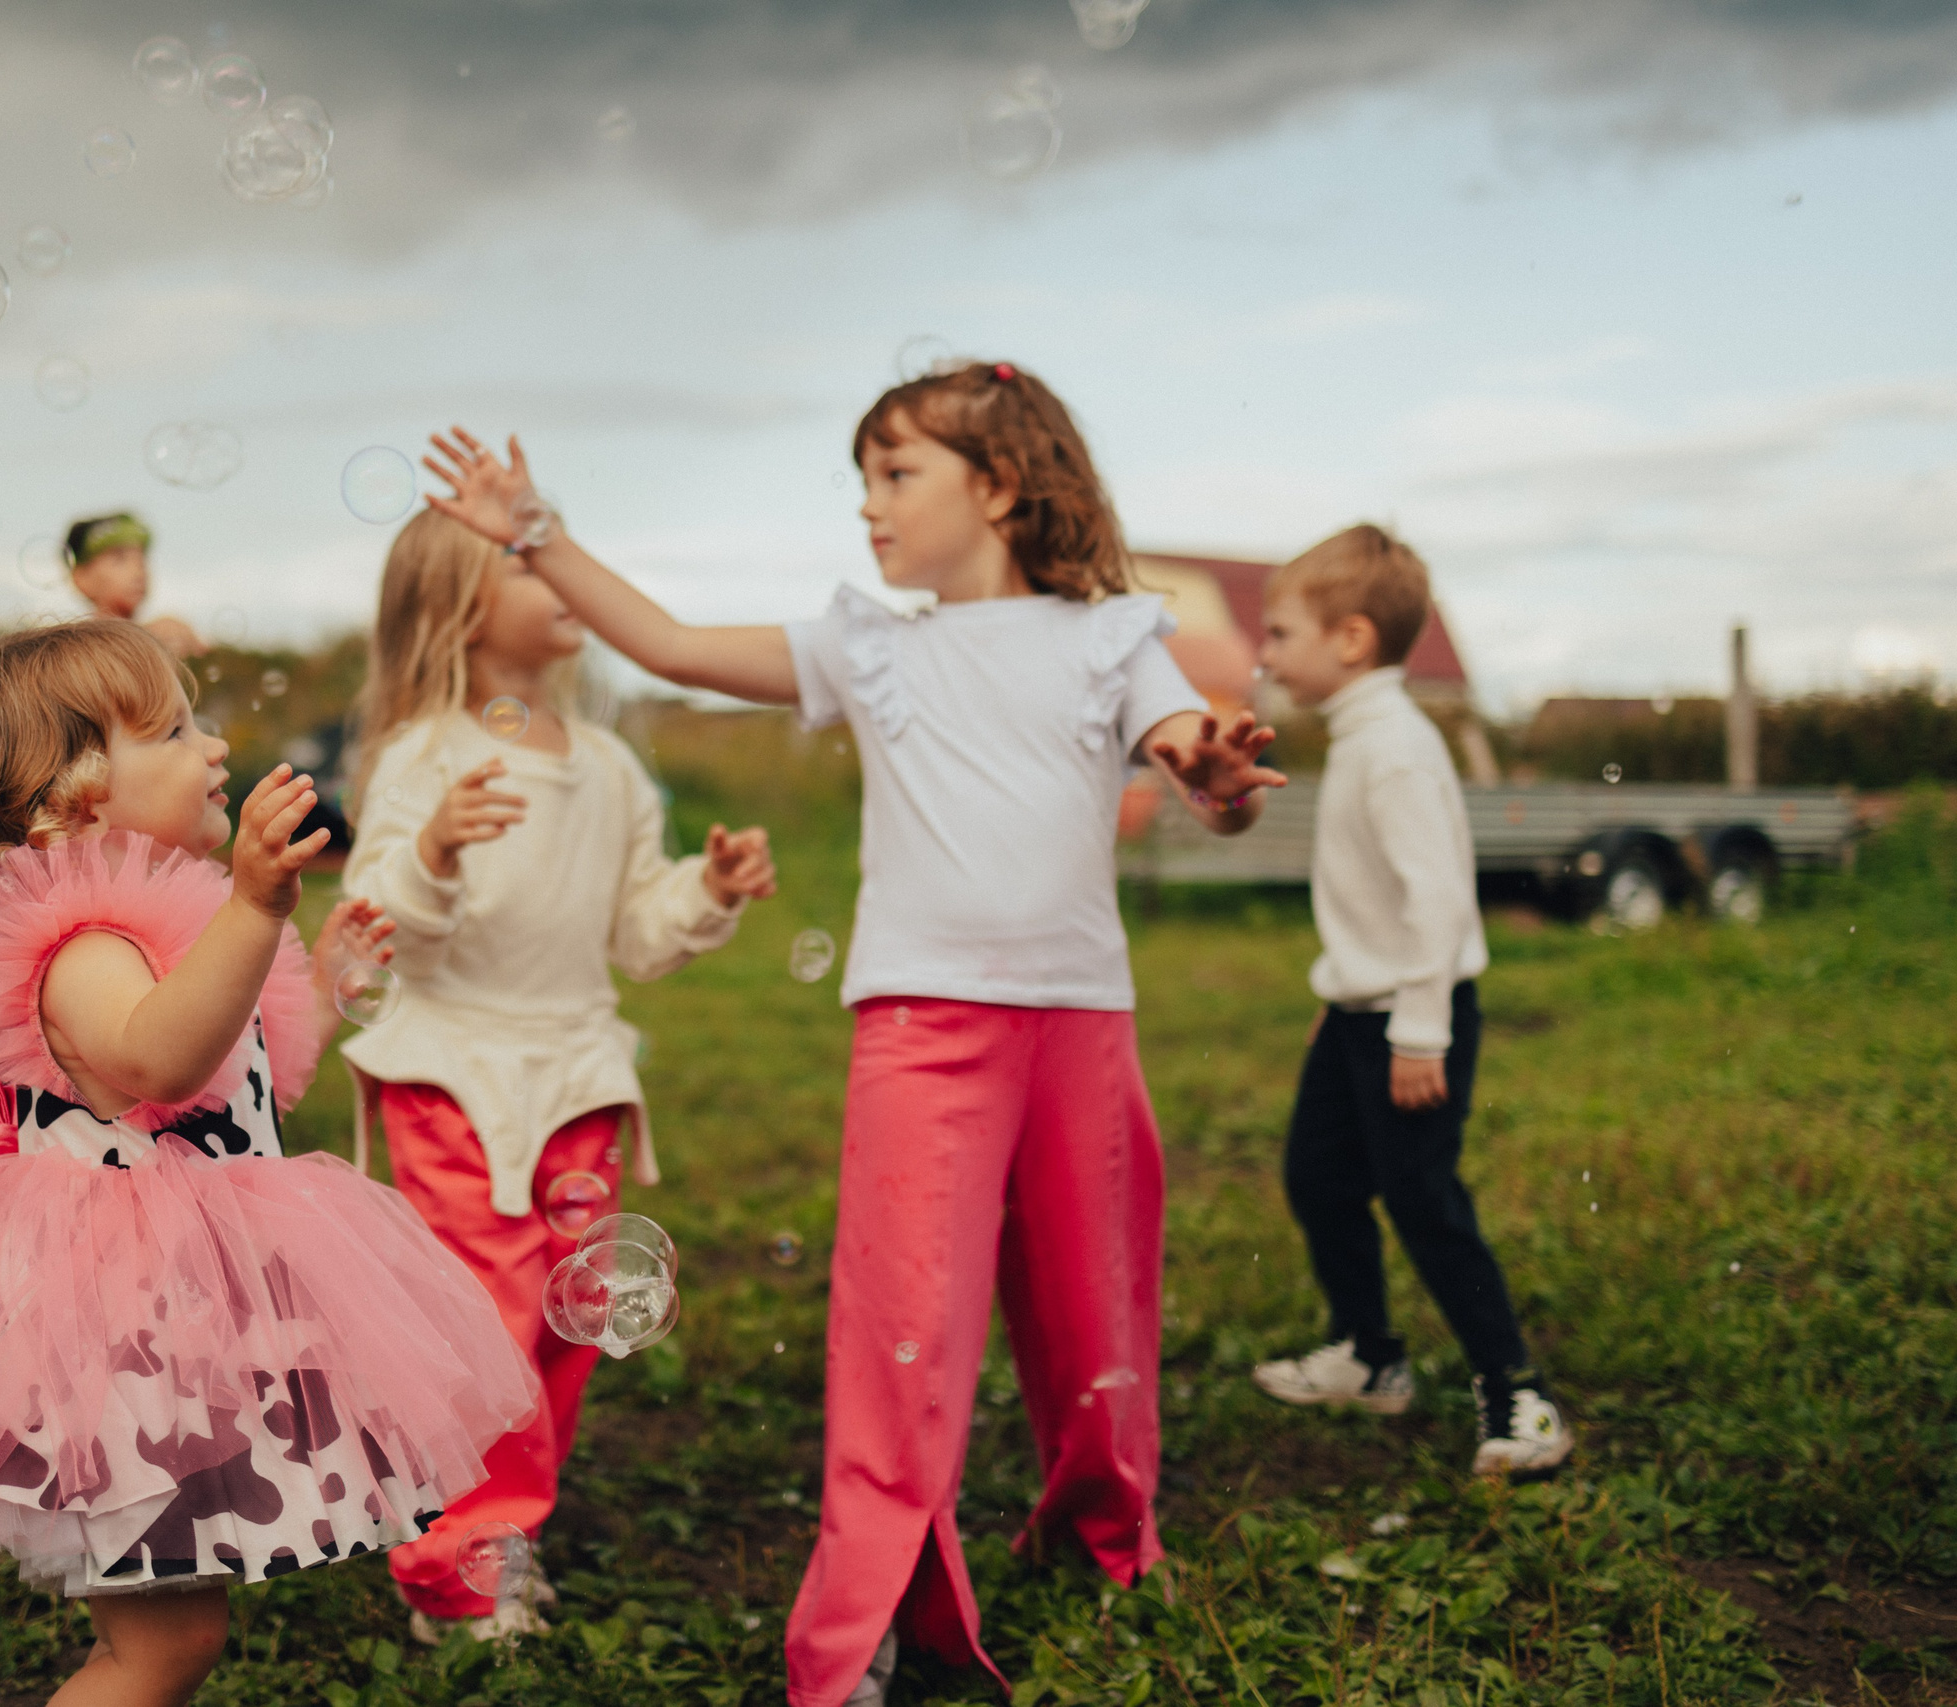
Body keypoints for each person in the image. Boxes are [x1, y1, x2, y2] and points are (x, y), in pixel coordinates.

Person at [418, 359, 1286, 1707]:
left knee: (1091, 1300)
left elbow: (1190, 753)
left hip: (1079, 1028)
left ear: (998, 486)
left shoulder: (1117, 635)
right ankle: (870, 1611)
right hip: (922, 1028)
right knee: (902, 1326)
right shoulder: (868, 640)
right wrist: (536, 530)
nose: (870, 508)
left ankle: (1101, 1526)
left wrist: (1218, 775)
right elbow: (669, 643)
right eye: (862, 481)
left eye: (898, 476)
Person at [0, 620, 539, 1707]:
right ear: (71, 794)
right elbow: (154, 1056)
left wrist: (317, 979)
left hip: (181, 1327)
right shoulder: (78, 949)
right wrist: (252, 908)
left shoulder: (165, 937)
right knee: (161, 1647)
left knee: (179, 1637)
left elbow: (245, 1088)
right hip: (118, 1338)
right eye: (175, 728)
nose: (215, 744)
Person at [334, 510, 777, 1644]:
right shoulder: (421, 759)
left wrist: (707, 892)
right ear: (456, 606)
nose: (560, 576)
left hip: (577, 1077)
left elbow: (635, 933)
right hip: (455, 1072)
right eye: (524, 563)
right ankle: (456, 1565)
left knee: (566, 1325)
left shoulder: (613, 767)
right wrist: (431, 852)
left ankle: (498, 1523)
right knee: (481, 1323)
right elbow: (385, 926)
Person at [1249, 524, 1573, 1476]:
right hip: (1362, 1013)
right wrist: (1347, 995)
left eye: (1279, 634)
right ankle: (1369, 1355)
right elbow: (1377, 903)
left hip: (1412, 1020)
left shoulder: (1391, 746)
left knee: (1423, 1199)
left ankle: (1519, 1395)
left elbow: (1435, 901)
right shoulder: (1363, 737)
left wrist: (1418, 1028)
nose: (1264, 652)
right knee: (1318, 1176)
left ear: (1350, 640)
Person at [64, 512, 206, 657]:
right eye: (119, 559)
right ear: (81, 578)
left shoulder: (160, 637)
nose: (138, 572)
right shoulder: (73, 654)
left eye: (141, 559)